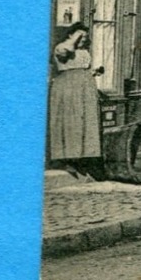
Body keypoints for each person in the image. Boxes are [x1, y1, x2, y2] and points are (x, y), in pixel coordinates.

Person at [48, 23, 102, 176]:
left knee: (84, 123)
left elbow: (82, 67)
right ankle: (66, 159)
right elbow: (65, 53)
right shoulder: (62, 47)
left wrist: (93, 73)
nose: (84, 39)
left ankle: (82, 159)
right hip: (68, 89)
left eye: (85, 37)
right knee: (70, 122)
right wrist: (75, 37)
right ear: (70, 35)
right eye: (80, 36)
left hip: (84, 90)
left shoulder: (83, 51)